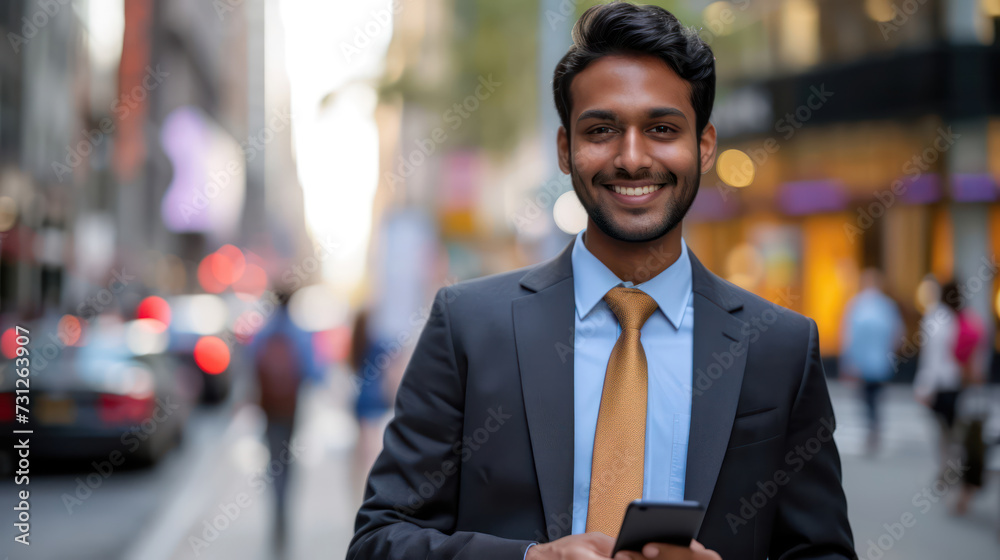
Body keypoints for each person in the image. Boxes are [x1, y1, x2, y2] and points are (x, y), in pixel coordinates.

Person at [348, 4, 855, 560]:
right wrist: (529, 559)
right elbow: (379, 540)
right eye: (601, 130)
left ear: (704, 147)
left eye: (661, 129)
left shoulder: (780, 346)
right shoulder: (468, 326)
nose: (632, 158)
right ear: (566, 149)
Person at [252, 288, 321, 558]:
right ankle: (284, 512)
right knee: (287, 459)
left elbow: (250, 362)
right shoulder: (299, 331)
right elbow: (314, 370)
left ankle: (277, 511)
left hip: (268, 407)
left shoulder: (264, 331)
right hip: (290, 407)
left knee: (274, 458)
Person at [839, 269, 904, 455]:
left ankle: (872, 427)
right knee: (874, 396)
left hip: (863, 362)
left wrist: (847, 361)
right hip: (879, 361)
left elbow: (847, 335)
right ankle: (874, 427)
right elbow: (898, 334)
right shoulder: (885, 305)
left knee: (867, 397)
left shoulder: (856, 305)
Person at [913, 281, 964, 475]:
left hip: (940, 382)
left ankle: (946, 466)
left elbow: (931, 356)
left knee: (943, 429)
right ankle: (951, 465)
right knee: (950, 427)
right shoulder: (954, 317)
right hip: (954, 379)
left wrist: (924, 386)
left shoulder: (935, 317)